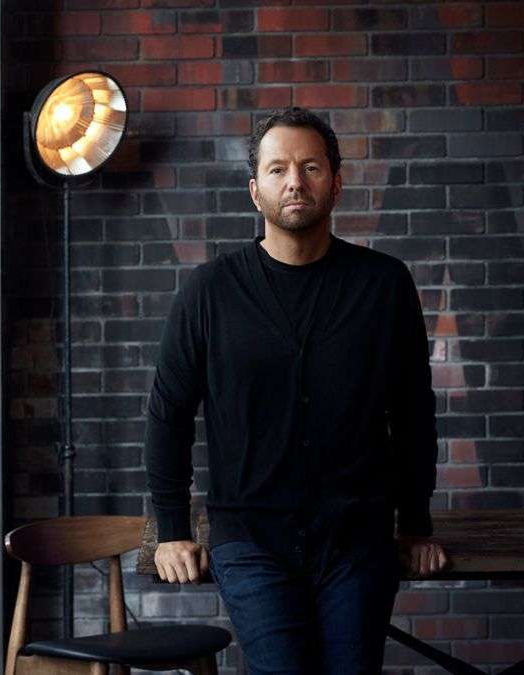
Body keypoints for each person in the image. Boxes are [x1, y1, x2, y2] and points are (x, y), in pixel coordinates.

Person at [143, 106, 450, 674]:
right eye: (278, 169)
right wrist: (172, 531)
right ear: (254, 190)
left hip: (357, 541)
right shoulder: (209, 292)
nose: (295, 182)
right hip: (250, 540)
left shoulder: (383, 285)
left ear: (336, 183)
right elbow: (169, 415)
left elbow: (413, 414)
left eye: (310, 167)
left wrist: (415, 526)